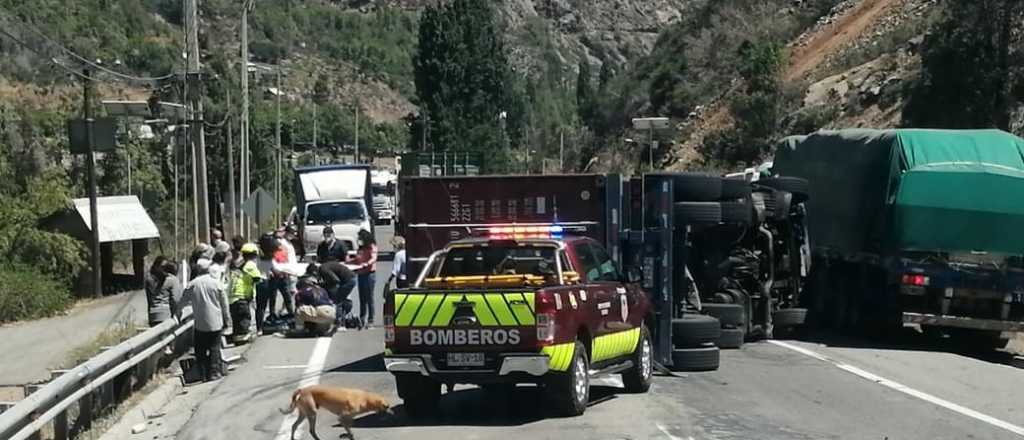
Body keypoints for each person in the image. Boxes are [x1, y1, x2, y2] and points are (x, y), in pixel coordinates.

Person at [176, 259, 231, 382]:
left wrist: (178, 313)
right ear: (208, 269)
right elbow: (224, 304)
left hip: (200, 323)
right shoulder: (216, 283)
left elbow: (182, 301)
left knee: (200, 350)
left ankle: (202, 373)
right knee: (214, 348)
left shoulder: (193, 284)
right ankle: (214, 372)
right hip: (216, 322)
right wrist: (227, 320)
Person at [229, 243, 261, 343]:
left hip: (233, 296)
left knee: (237, 319)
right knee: (244, 317)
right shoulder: (251, 265)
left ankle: (237, 336)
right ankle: (242, 338)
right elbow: (257, 278)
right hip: (242, 295)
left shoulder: (241, 264)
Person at [315, 261, 357, 330]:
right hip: (350, 279)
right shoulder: (325, 266)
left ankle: (340, 324)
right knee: (341, 299)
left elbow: (336, 280)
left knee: (338, 301)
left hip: (348, 281)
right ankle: (345, 319)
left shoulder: (323, 269)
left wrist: (323, 285)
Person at [350, 230, 378, 329]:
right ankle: (362, 319)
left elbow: (374, 258)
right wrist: (349, 261)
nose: (359, 240)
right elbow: (358, 259)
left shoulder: (371, 246)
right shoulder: (360, 248)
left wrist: (367, 263)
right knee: (362, 298)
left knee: (369, 298)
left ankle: (371, 320)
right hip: (361, 274)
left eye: (360, 238)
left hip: (369, 275)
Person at [144, 256, 180, 327]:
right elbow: (175, 300)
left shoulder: (149, 280)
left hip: (153, 315)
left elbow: (149, 301)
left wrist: (150, 316)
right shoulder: (173, 280)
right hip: (166, 314)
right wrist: (176, 314)